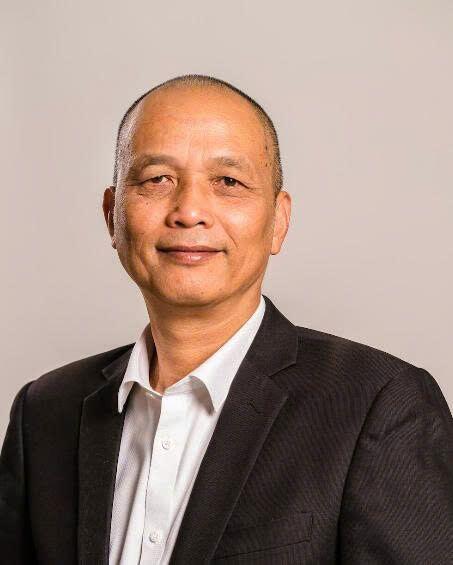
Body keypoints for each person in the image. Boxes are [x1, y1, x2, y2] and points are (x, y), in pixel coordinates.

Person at [1, 74, 452, 565]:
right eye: (157, 180)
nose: (189, 211)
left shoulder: (379, 406)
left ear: (278, 221)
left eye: (228, 183)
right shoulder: (45, 411)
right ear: (113, 214)